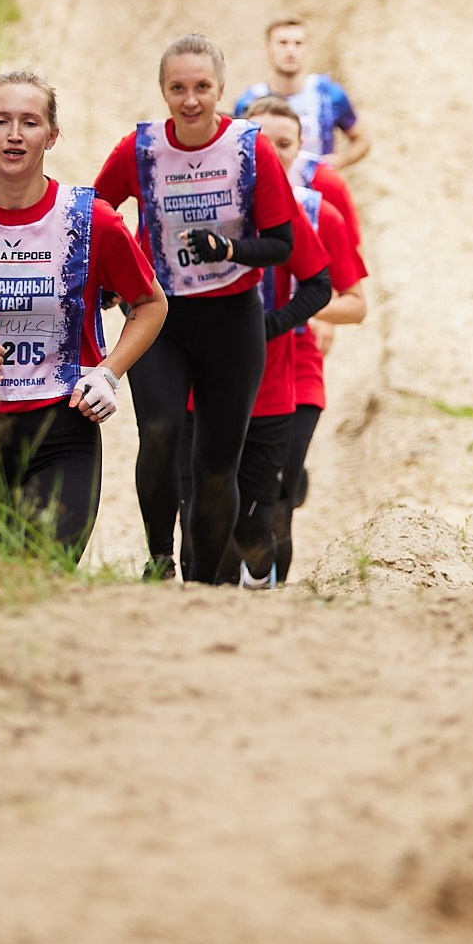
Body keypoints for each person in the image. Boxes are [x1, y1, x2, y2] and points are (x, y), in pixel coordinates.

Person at [0, 70, 169, 560]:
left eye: (30, 122)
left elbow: (151, 305)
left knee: (41, 573)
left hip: (62, 427)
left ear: (52, 136)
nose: (15, 134)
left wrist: (109, 373)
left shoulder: (91, 220)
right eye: (1, 120)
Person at [94, 34, 301, 585]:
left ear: (221, 89)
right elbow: (96, 215)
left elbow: (282, 244)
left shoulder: (248, 148)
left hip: (233, 321)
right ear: (163, 90)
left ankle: (206, 583)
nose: (191, 100)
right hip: (159, 317)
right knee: (159, 434)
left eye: (202, 87)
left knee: (215, 469)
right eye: (178, 88)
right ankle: (159, 558)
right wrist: (116, 278)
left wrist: (229, 248)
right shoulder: (138, 150)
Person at [243, 96, 370, 587]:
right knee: (217, 484)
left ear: (303, 149)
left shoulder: (320, 203)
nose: (272, 155)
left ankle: (267, 587)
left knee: (276, 493)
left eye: (284, 144)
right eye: (260, 143)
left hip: (296, 361)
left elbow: (351, 295)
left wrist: (312, 313)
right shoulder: (211, 204)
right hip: (227, 362)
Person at [233, 17, 370, 171]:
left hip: (318, 188)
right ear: (267, 48)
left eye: (298, 43)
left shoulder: (328, 94)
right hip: (270, 187)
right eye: (283, 43)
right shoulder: (249, 101)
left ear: (307, 49)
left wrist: (341, 161)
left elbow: (361, 140)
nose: (290, 51)